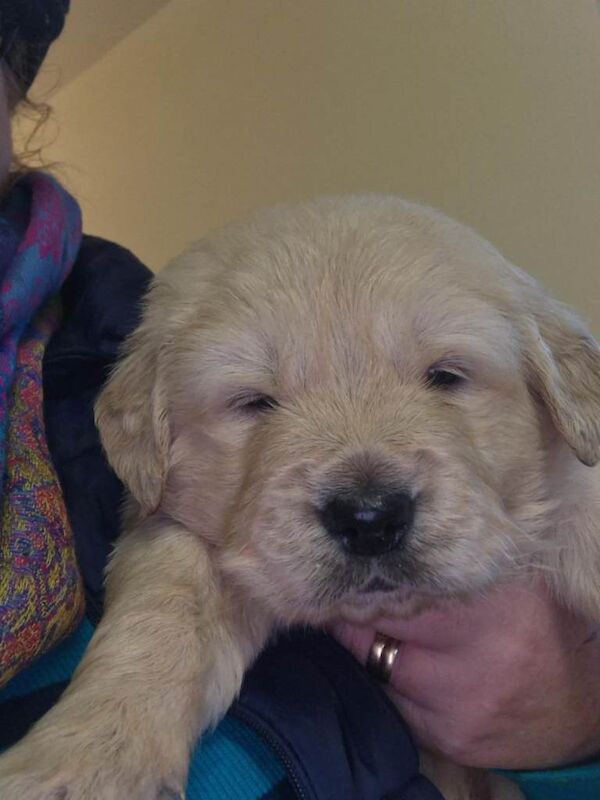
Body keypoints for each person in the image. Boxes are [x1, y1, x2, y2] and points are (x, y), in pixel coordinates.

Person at [0, 3, 599, 799]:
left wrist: (581, 725)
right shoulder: (161, 374)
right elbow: (174, 538)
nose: (367, 502)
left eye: (446, 378)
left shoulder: (91, 326)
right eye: (254, 401)